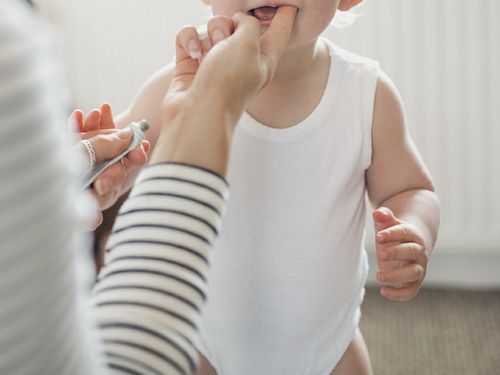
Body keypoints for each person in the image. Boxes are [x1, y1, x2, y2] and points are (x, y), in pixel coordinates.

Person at [82, 0, 441, 374]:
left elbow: (411, 188)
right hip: (203, 344)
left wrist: (412, 229)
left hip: (328, 350)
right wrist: (103, 168)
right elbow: (124, 156)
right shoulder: (180, 88)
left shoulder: (367, 93)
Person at [0, 1, 296, 374]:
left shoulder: (365, 89)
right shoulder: (176, 81)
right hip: (206, 331)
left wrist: (65, 171)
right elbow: (139, 149)